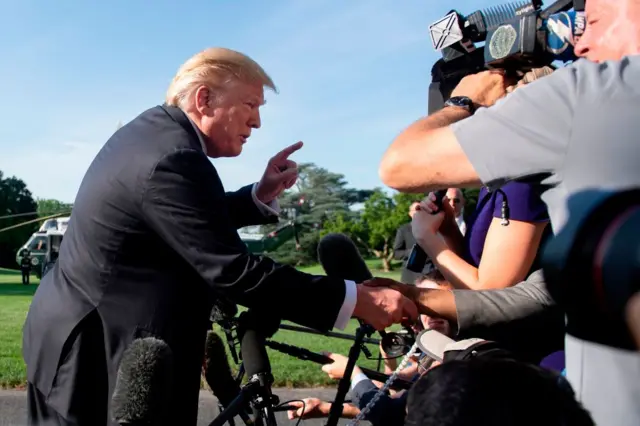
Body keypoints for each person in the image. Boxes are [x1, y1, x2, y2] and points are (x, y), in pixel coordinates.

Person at [22, 47, 417, 426]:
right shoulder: (173, 158)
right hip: (94, 352)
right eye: (250, 105)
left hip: (81, 333)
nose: (257, 122)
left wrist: (257, 196)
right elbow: (234, 272)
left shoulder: (158, 137)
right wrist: (357, 299)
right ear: (205, 98)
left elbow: (185, 222)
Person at [377, 0, 640, 423]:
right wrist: (443, 242)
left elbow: (398, 165)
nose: (580, 44)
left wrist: (464, 99)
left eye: (591, 22)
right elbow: (542, 286)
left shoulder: (584, 102)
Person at [392, 202, 423, 284]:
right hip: (410, 279)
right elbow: (396, 254)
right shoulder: (403, 230)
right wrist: (412, 252)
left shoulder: (434, 228)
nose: (420, 211)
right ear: (410, 213)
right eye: (417, 209)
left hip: (431, 278)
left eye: (422, 209)